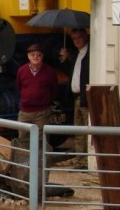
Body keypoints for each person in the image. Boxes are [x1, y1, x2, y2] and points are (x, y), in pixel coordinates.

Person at [12, 43, 59, 198]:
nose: (35, 57)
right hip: (25, 112)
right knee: (23, 143)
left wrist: (45, 103)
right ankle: (22, 175)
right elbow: (19, 87)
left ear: (42, 57)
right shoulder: (22, 71)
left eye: (38, 54)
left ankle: (38, 176)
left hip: (42, 112)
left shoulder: (49, 72)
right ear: (28, 56)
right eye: (33, 55)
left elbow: (54, 89)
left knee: (39, 143)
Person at [59, 29, 90, 169]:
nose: (77, 41)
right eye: (74, 38)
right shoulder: (77, 55)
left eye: (79, 38)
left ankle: (85, 160)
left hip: (86, 98)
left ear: (85, 38)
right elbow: (72, 74)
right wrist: (65, 60)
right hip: (76, 97)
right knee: (78, 130)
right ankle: (79, 158)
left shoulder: (90, 55)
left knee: (86, 130)